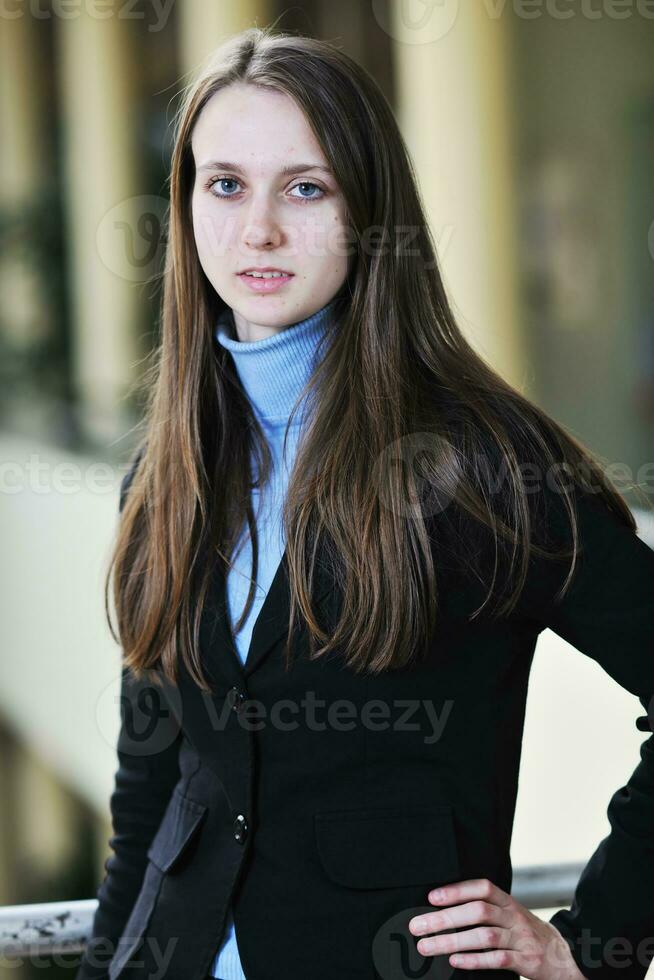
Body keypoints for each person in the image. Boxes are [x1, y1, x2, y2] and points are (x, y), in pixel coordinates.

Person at [75, 26, 654, 980]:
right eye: (225, 184)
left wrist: (590, 946)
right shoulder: (168, 467)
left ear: (368, 212)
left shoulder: (483, 463)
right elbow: (151, 792)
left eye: (305, 188)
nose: (257, 228)